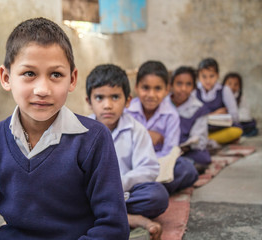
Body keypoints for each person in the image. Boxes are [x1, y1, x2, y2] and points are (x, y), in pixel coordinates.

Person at [0, 18, 130, 240]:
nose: (42, 89)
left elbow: (113, 226)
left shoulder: (94, 139)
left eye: (56, 75)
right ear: (6, 77)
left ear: (72, 79)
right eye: (29, 73)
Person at [86, 64, 169, 240]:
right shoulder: (82, 131)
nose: (107, 105)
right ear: (89, 101)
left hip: (123, 193)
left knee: (157, 195)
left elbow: (149, 169)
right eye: (99, 98)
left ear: (128, 100)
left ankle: (100, 215)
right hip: (90, 196)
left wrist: (116, 185)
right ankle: (130, 219)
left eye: (115, 97)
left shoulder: (136, 130)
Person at [126, 60, 198, 195]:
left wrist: (149, 163)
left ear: (166, 90)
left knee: (187, 169)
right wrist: (146, 136)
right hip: (130, 163)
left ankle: (142, 190)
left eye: (158, 89)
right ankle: (148, 190)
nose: (151, 95)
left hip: (158, 165)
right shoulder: (128, 111)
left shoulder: (171, 114)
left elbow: (169, 152)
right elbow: (122, 145)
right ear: (136, 88)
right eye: (145, 88)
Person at [168, 66, 211, 174]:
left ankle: (181, 164)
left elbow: (198, 138)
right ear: (171, 85)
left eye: (188, 84)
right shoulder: (163, 103)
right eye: (179, 83)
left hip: (185, 150)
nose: (183, 88)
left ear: (194, 87)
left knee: (203, 158)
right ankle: (184, 166)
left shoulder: (198, 108)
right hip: (164, 146)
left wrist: (185, 146)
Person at [194, 58, 242, 144]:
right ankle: (207, 140)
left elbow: (235, 117)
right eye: (204, 76)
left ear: (217, 75)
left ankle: (204, 141)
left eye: (211, 76)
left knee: (236, 131)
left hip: (220, 129)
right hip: (200, 129)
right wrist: (214, 114)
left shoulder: (224, 90)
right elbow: (191, 117)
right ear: (198, 76)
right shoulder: (194, 91)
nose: (208, 80)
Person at [222, 72, 258, 137]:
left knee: (251, 127)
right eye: (229, 84)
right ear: (224, 84)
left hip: (237, 121)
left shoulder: (240, 97)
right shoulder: (220, 96)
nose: (232, 87)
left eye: (236, 84)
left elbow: (246, 113)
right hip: (223, 122)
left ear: (240, 86)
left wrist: (232, 117)